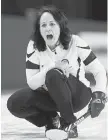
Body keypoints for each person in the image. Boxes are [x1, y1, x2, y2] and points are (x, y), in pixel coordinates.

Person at [7, 5, 107, 138]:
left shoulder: (75, 42)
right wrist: (54, 66)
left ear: (60, 26)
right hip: (51, 95)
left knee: (53, 75)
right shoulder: (34, 46)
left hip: (77, 95)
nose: (48, 28)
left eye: (52, 24)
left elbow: (99, 70)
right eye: (43, 25)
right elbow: (32, 83)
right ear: (39, 30)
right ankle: (51, 120)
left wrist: (99, 94)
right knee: (14, 103)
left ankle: (69, 123)